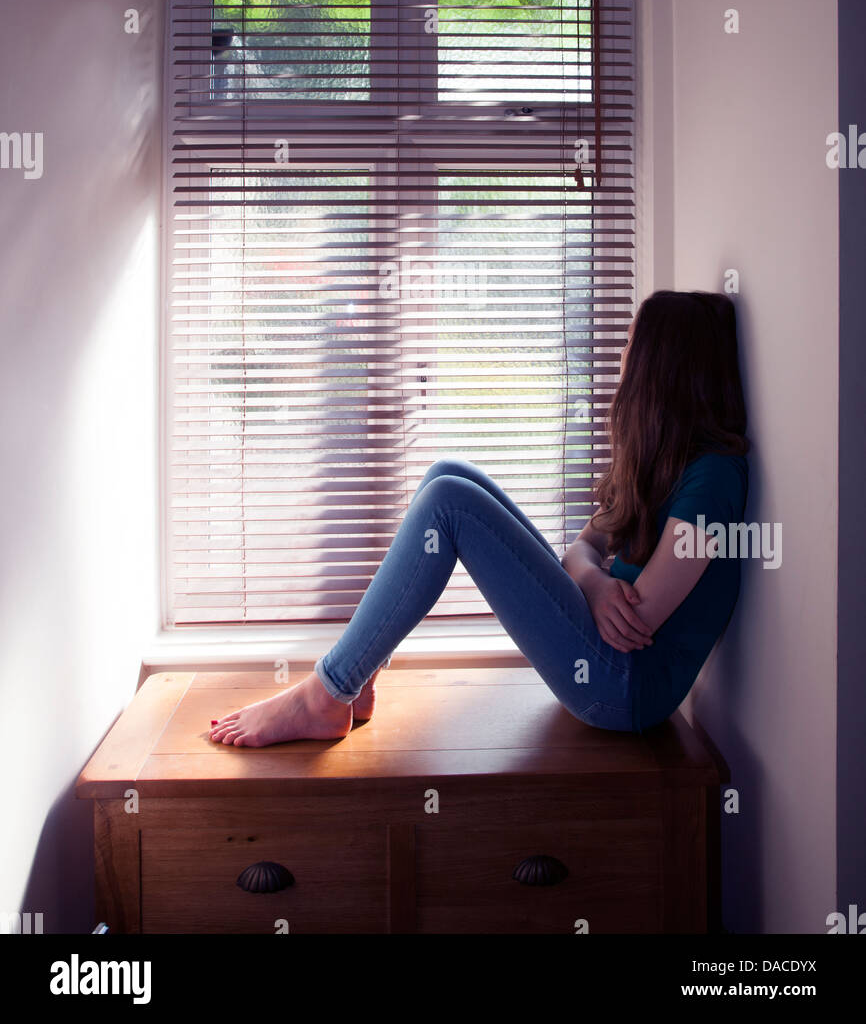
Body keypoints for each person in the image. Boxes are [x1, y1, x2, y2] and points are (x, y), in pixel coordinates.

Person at [209, 289, 750, 746]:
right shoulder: (666, 464)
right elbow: (581, 553)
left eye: (632, 348)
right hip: (603, 655)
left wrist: (598, 586)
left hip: (619, 686)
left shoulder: (714, 478)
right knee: (449, 472)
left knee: (448, 502)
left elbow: (639, 622)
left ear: (661, 372)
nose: (622, 361)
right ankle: (361, 672)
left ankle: (326, 694)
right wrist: (595, 583)